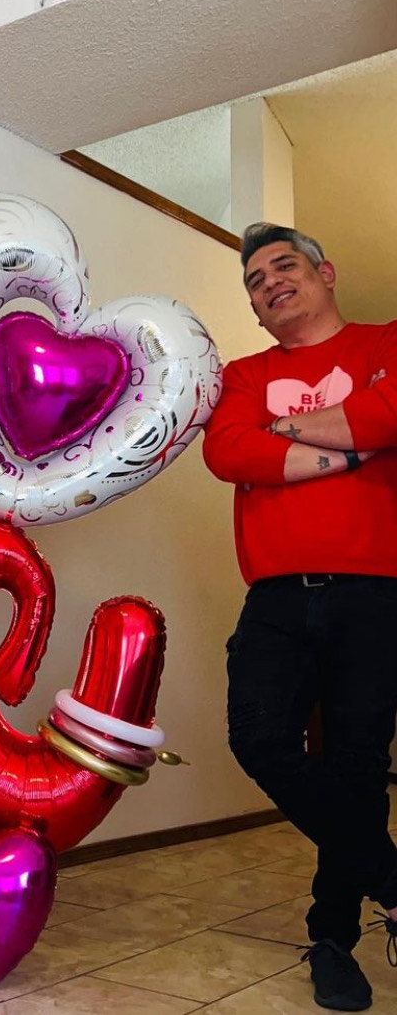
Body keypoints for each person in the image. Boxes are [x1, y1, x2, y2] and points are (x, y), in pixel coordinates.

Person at [203, 222, 397, 1012]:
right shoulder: (244, 373)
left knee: (358, 765)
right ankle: (394, 882)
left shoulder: (385, 342)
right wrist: (350, 444)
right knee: (257, 736)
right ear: (254, 308)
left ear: (326, 272)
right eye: (255, 280)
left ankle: (334, 940)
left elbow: (390, 415)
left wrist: (280, 433)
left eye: (284, 266)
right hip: (278, 593)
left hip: (375, 590)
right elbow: (227, 452)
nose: (270, 283)